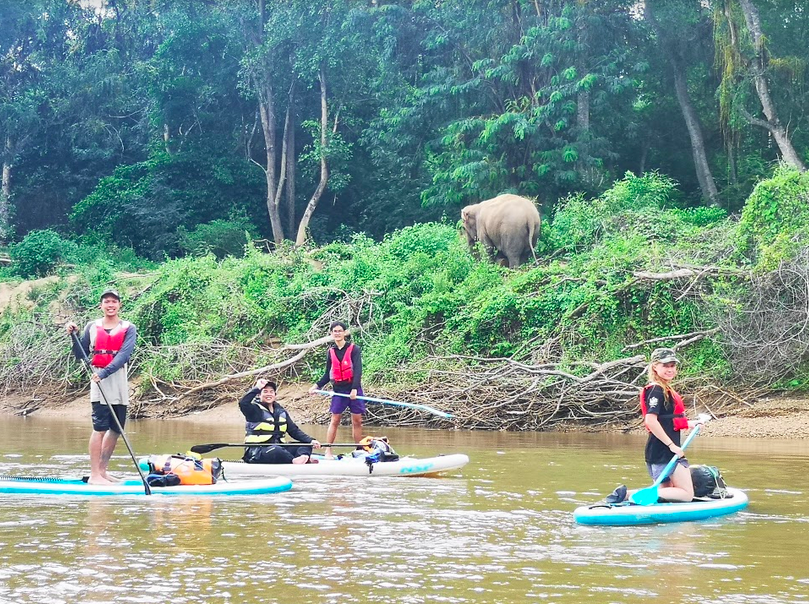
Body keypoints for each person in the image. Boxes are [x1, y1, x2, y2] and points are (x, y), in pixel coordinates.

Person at [607, 347, 704, 504]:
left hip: (658, 451)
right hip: (664, 451)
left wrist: (689, 423)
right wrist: (672, 446)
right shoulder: (656, 390)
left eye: (672, 365)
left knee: (668, 494)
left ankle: (628, 496)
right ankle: (629, 494)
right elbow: (651, 420)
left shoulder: (663, 389)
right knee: (686, 494)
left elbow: (667, 419)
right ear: (655, 367)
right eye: (665, 366)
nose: (670, 369)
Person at [65, 288, 137, 485]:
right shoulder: (92, 326)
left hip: (116, 379)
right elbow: (80, 354)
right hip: (98, 381)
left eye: (114, 301)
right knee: (100, 428)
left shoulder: (129, 328)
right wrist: (73, 335)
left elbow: (124, 355)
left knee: (116, 428)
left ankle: (103, 472)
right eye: (107, 301)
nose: (110, 305)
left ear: (119, 305)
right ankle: (94, 475)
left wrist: (104, 373)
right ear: (101, 305)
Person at [309, 321, 364, 458]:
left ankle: (359, 450)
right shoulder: (331, 352)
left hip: (354, 388)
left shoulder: (354, 349)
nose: (337, 333)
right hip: (339, 390)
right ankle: (328, 450)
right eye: (335, 331)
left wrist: (354, 389)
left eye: (340, 331)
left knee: (357, 421)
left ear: (345, 333)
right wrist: (316, 386)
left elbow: (358, 370)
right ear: (331, 333)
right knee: (335, 420)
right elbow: (327, 374)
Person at [239, 378, 321, 464]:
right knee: (276, 450)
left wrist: (311, 441)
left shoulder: (281, 411)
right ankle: (293, 460)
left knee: (306, 445)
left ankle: (303, 457)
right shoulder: (253, 410)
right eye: (265, 392)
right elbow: (243, 403)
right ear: (259, 395)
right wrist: (257, 387)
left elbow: (294, 431)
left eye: (271, 392)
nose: (268, 394)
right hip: (258, 451)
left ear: (275, 395)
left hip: (280, 447)